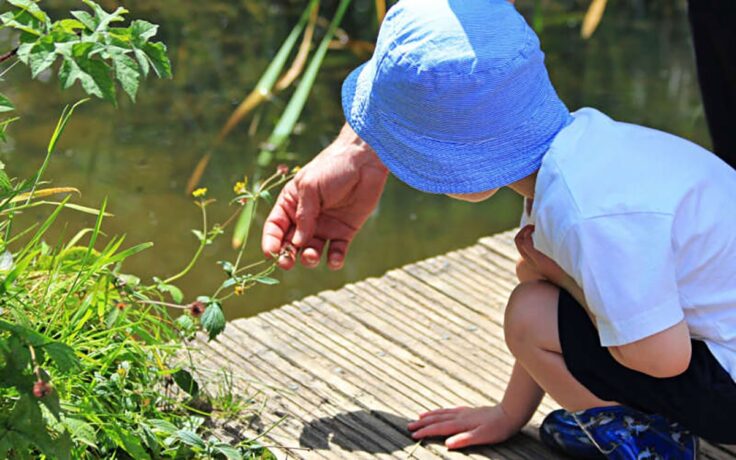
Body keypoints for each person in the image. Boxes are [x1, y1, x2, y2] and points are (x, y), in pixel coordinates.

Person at [261, 0, 736, 458]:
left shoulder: (586, 214)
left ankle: (651, 442)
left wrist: (562, 277)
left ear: (457, 162)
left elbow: (662, 359)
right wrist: (508, 414)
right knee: (535, 296)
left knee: (529, 308)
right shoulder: (581, 154)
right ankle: (626, 416)